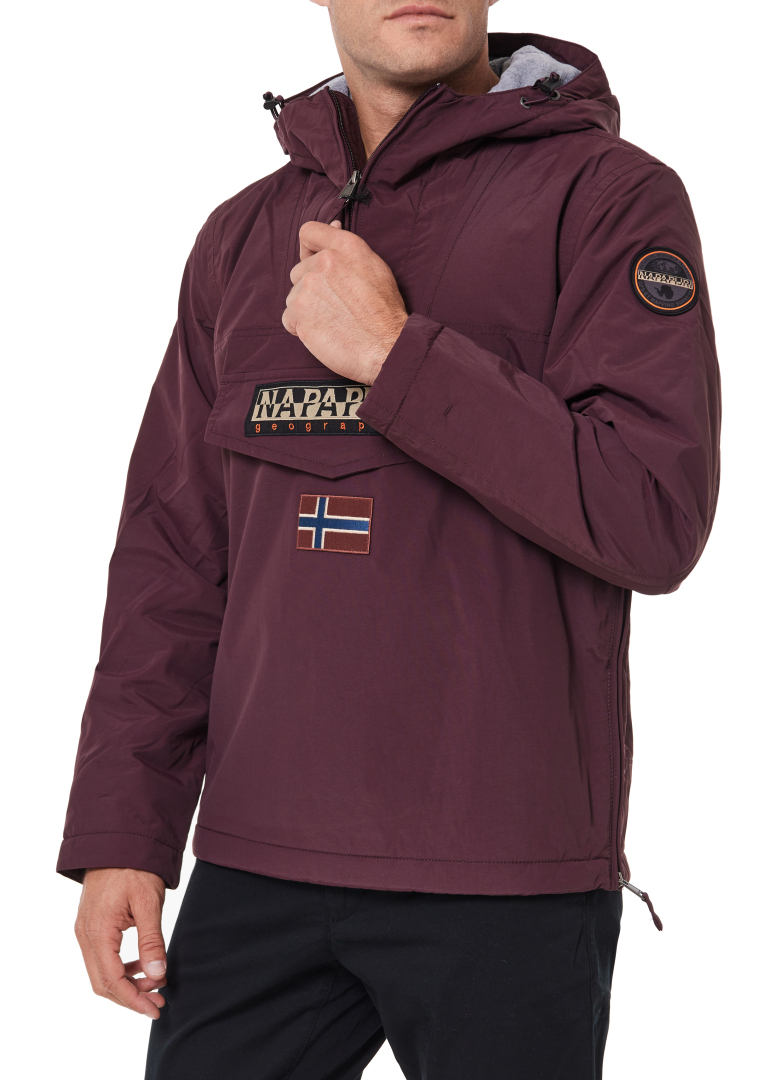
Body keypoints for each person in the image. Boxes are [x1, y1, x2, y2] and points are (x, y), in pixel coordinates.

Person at [59, 2, 721, 1077]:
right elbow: (173, 555)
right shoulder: (241, 233)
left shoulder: (608, 197)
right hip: (256, 863)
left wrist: (395, 354)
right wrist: (122, 835)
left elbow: (653, 514)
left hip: (505, 868)